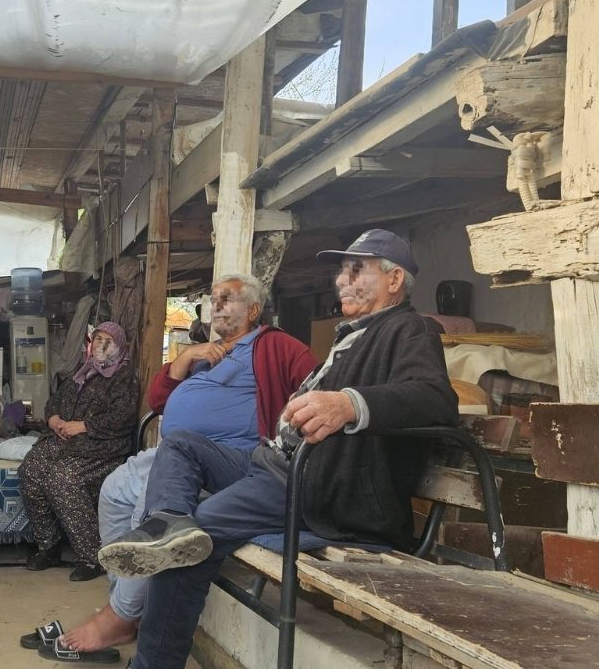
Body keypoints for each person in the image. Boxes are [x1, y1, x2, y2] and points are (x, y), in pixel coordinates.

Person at [98, 229, 459, 669]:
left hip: (313, 485)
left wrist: (348, 404)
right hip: (272, 464)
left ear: (395, 279)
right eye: (341, 271)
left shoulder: (409, 328)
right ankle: (167, 520)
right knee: (181, 447)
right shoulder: (353, 335)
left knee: (195, 538)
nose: (341, 280)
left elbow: (436, 398)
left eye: (355, 270)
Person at [51, 273, 316, 658]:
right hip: (174, 452)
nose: (217, 306)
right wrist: (184, 360)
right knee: (113, 491)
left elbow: (315, 388)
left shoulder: (275, 345)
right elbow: (158, 402)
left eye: (227, 299)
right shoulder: (206, 351)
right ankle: (127, 608)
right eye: (213, 299)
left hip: (226, 460)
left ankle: (118, 618)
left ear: (253, 310)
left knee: (149, 508)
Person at [18, 321, 140, 583]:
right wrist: (54, 419)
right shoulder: (83, 370)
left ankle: (92, 555)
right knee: (31, 470)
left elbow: (123, 418)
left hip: (102, 448)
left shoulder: (124, 377)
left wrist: (83, 426)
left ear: (119, 346)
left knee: (62, 479)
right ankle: (48, 546)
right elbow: (55, 401)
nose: (101, 345)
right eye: (98, 339)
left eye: (109, 341)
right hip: (67, 442)